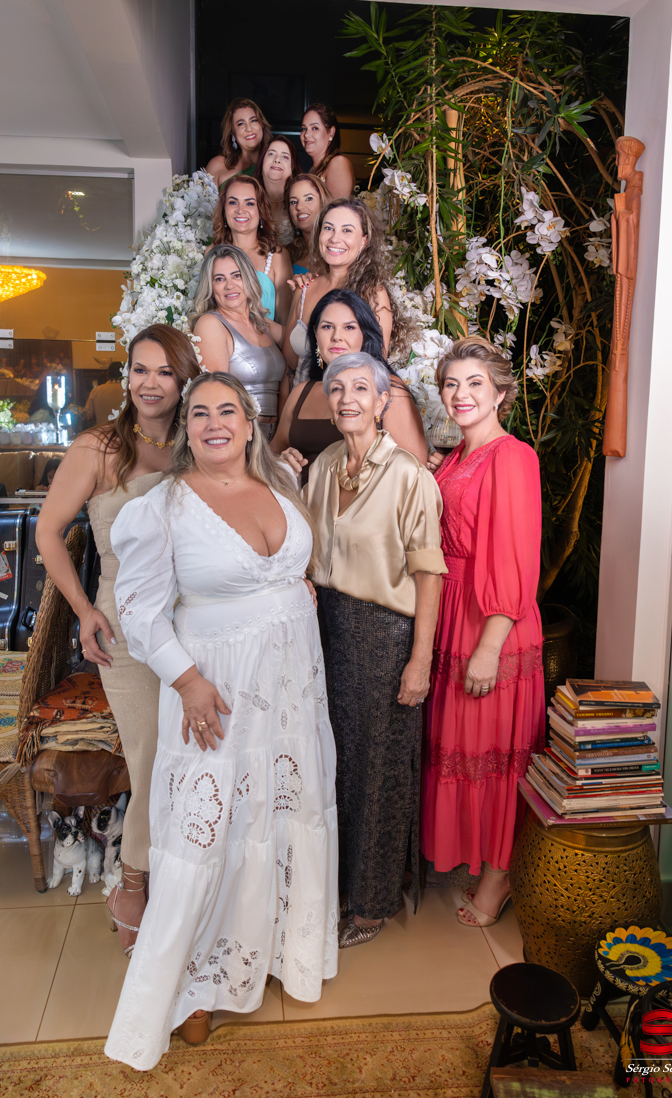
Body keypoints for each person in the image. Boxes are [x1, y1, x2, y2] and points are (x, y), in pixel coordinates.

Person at [103, 372, 338, 1069]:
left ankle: (274, 950)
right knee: (206, 828)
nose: (214, 423)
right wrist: (188, 681)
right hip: (216, 689)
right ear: (186, 427)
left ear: (249, 421)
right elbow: (140, 612)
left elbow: (287, 572)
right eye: (199, 412)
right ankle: (196, 985)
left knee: (280, 811)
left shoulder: (280, 488)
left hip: (291, 688)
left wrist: (294, 591)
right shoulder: (163, 506)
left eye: (226, 410)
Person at [35, 325, 200, 956]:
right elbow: (49, 533)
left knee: (196, 759)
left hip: (197, 626)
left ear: (184, 379)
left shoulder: (197, 441)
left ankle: (188, 885)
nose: (150, 383)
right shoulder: (98, 448)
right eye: (140, 369)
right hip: (126, 630)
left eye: (165, 371)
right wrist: (83, 610)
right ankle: (133, 885)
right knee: (153, 759)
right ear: (127, 375)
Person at [306, 352, 445, 947]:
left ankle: (371, 904)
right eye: (337, 388)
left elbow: (430, 574)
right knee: (333, 765)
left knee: (380, 773)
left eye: (361, 388)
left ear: (383, 401)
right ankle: (337, 885)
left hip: (386, 637)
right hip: (326, 631)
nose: (347, 399)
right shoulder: (323, 466)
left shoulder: (409, 475)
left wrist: (420, 660)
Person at [421, 337, 546, 927]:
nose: (461, 394)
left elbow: (517, 557)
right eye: (451, 384)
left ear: (499, 393)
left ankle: (499, 876)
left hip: (491, 617)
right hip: (452, 611)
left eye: (475, 383)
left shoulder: (512, 456)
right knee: (461, 747)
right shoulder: (454, 457)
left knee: (493, 755)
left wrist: (490, 645)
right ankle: (480, 859)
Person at [272, 291, 427, 480]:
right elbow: (270, 457)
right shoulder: (300, 393)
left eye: (349, 327)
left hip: (368, 499)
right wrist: (280, 460)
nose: (337, 336)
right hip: (298, 497)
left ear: (365, 334)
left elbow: (416, 475)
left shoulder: (388, 389)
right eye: (327, 327)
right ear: (315, 333)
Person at [292, 197, 414, 362]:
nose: (334, 238)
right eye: (328, 228)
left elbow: (376, 367)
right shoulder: (305, 287)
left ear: (364, 241)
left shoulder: (373, 295)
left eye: (347, 230)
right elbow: (289, 365)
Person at [190, 245, 286, 441]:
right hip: (241, 437)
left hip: (277, 435)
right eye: (219, 279)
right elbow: (215, 396)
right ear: (210, 287)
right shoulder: (210, 324)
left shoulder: (261, 323)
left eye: (236, 275)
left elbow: (303, 344)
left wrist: (304, 295)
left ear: (248, 278)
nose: (229, 285)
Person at [212, 176, 293, 324]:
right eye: (233, 202)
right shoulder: (212, 253)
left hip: (267, 338)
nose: (240, 210)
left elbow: (285, 321)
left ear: (260, 211)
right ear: (224, 210)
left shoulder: (277, 256)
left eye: (249, 203)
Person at [206, 98, 271, 189]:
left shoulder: (276, 162)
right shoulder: (217, 165)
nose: (249, 129)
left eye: (253, 120)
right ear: (232, 133)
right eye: (241, 124)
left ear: (262, 125)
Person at [301, 104, 356, 199]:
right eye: (304, 129)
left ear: (331, 132)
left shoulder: (339, 163)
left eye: (315, 128)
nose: (306, 134)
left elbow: (339, 208)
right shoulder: (312, 170)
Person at [253, 136, 301, 245]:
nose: (277, 159)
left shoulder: (300, 204)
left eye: (285, 157)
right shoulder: (248, 201)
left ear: (292, 168)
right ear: (262, 163)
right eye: (271, 154)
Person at [285, 173, 331, 276]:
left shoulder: (340, 246)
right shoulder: (287, 254)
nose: (299, 207)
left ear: (323, 202)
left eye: (309, 199)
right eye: (293, 202)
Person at [85, 360, 125, 427]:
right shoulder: (129, 391)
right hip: (123, 431)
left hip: (102, 431)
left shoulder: (96, 391)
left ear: (107, 375)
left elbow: (89, 415)